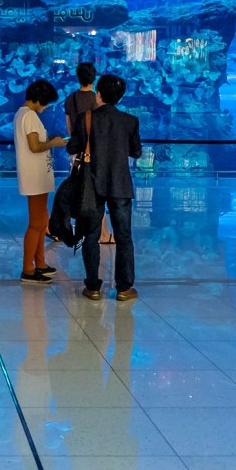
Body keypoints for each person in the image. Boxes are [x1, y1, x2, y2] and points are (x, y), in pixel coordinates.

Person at [68, 74, 142, 302]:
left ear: (98, 94)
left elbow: (73, 147)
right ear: (120, 97)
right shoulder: (130, 121)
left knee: (91, 235)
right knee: (124, 237)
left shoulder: (85, 118)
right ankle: (123, 288)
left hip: (92, 184)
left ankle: (92, 287)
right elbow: (136, 152)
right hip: (120, 183)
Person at [14, 79, 67, 284]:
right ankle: (28, 269)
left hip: (37, 177)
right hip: (34, 178)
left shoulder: (23, 114)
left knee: (41, 221)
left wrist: (50, 141)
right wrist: (54, 143)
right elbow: (35, 146)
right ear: (37, 100)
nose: (45, 108)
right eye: (44, 103)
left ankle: (40, 263)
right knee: (36, 225)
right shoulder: (30, 116)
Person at [63, 62, 113, 245]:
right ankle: (103, 233)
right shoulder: (98, 100)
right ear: (95, 78)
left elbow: (69, 129)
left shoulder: (70, 99)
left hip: (76, 152)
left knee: (77, 190)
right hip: (96, 152)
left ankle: (74, 229)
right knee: (98, 192)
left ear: (78, 77)